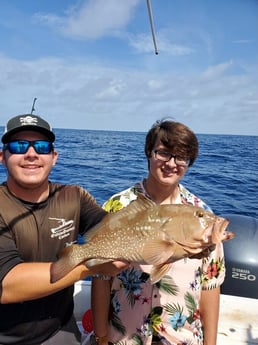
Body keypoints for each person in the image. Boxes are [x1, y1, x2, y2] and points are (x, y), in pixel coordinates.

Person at [91, 119, 225, 345]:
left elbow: (210, 285)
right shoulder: (116, 207)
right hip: (124, 338)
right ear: (148, 152)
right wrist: (101, 336)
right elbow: (101, 279)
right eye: (163, 153)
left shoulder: (203, 216)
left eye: (181, 157)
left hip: (182, 339)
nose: (172, 164)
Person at [0, 114, 128, 345]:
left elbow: (114, 230)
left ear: (54, 157)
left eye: (41, 146)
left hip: (60, 330)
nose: (31, 154)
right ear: (2, 156)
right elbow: (7, 285)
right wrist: (93, 264)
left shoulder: (74, 196)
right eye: (19, 146)